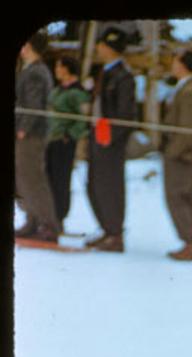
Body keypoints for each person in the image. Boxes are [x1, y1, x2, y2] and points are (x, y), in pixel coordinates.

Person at [85, 26, 137, 253]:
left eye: (103, 45)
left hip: (110, 140)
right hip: (97, 135)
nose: (99, 48)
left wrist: (110, 138)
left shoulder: (124, 76)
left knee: (110, 186)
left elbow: (125, 115)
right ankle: (106, 228)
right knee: (94, 184)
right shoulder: (104, 72)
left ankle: (115, 233)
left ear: (111, 48)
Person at [160, 49, 192, 262]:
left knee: (178, 196)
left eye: (175, 61)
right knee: (185, 196)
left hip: (181, 155)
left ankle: (188, 243)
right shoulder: (189, 88)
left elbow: (188, 129)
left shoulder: (189, 92)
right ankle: (189, 241)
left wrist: (172, 152)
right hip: (184, 153)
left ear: (182, 65)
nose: (172, 65)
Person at [15, 32, 61, 242]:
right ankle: (32, 219)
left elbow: (33, 104)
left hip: (31, 134)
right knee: (23, 178)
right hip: (26, 132)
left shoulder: (35, 72)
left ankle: (48, 224)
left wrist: (23, 128)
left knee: (33, 178)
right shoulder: (31, 69)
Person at [45, 55, 90, 234]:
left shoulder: (78, 93)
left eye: (59, 66)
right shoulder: (57, 91)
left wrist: (70, 135)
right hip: (51, 139)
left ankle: (60, 218)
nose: (56, 70)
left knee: (61, 180)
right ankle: (49, 217)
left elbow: (82, 119)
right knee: (49, 178)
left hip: (64, 142)